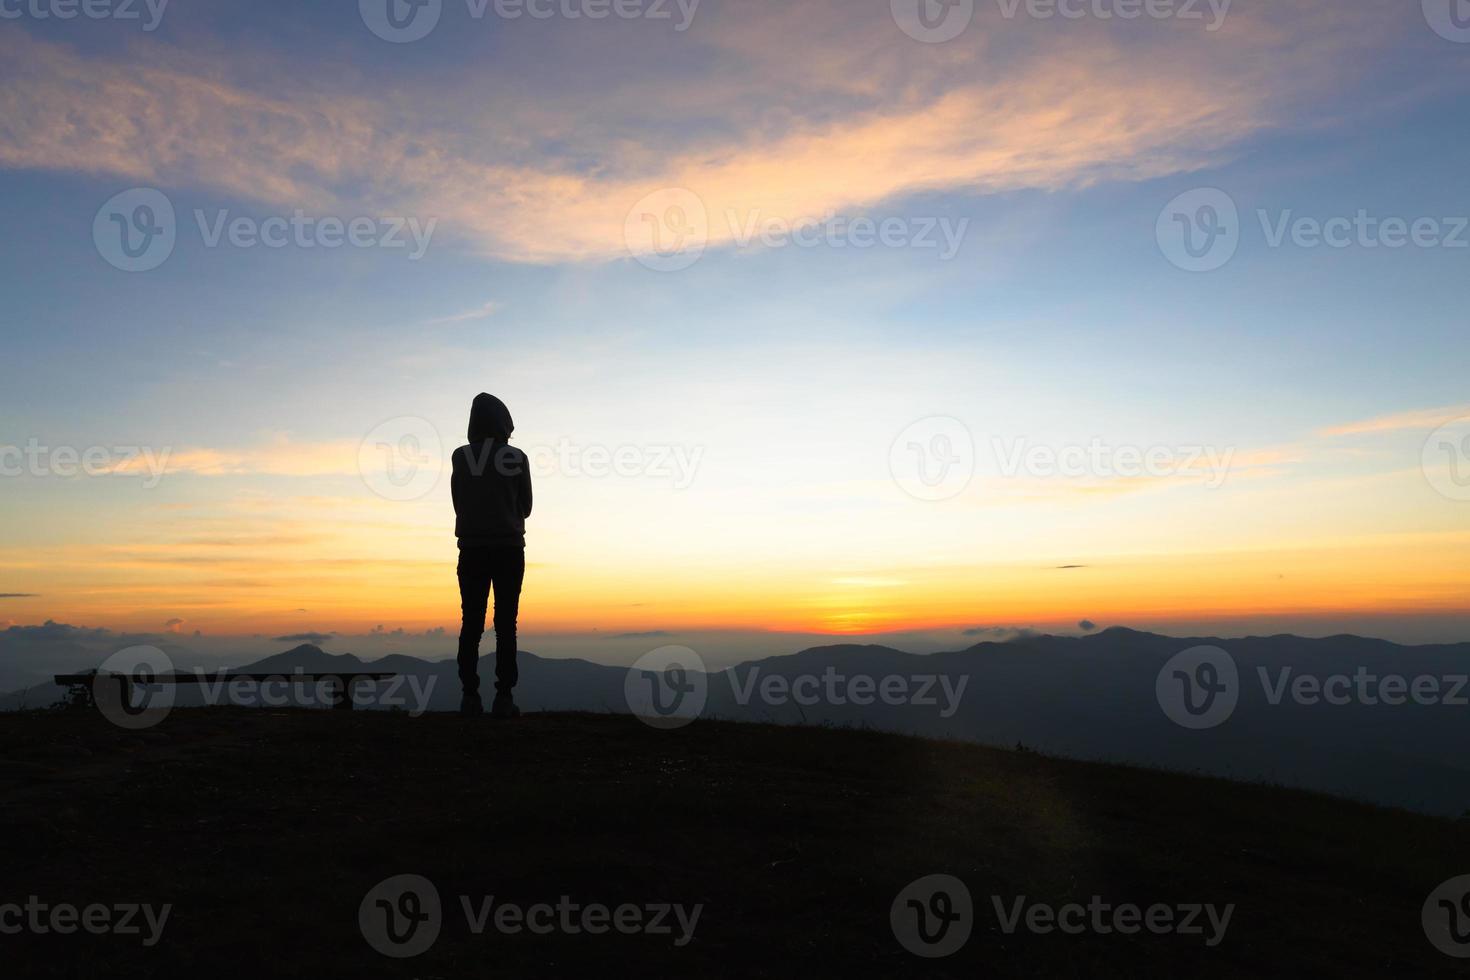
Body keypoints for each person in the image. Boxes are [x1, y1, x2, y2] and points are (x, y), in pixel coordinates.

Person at [451, 393, 532, 718]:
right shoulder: (516, 457)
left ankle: (469, 696)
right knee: (505, 625)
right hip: (509, 548)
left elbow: (458, 503)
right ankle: (504, 696)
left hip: (471, 548)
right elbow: (526, 507)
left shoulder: (461, 456)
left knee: (471, 623)